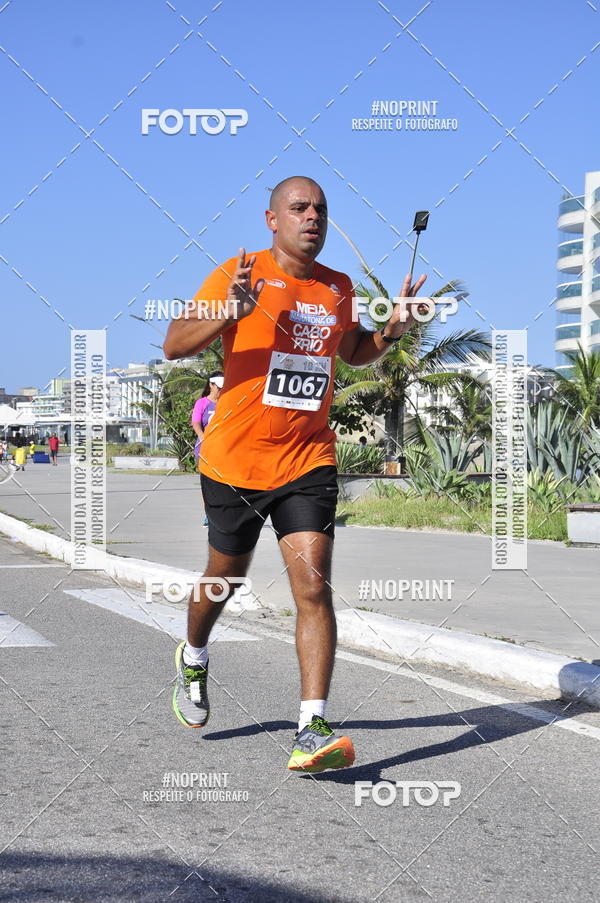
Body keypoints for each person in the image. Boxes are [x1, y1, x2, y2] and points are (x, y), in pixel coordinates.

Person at [163, 175, 426, 773]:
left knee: (312, 585)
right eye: (300, 208)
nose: (313, 218)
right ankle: (194, 655)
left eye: (321, 210)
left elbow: (352, 351)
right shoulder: (239, 274)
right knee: (225, 578)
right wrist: (228, 312)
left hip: (308, 458)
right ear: (272, 219)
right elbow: (175, 344)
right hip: (235, 460)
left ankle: (311, 727)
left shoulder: (338, 286)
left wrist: (391, 331)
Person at [191, 373, 224, 526]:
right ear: (211, 385)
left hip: (223, 450)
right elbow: (196, 422)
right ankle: (209, 514)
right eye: (218, 387)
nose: (220, 390)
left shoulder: (226, 403)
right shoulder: (202, 403)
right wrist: (203, 437)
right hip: (204, 450)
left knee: (223, 484)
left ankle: (222, 514)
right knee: (208, 484)